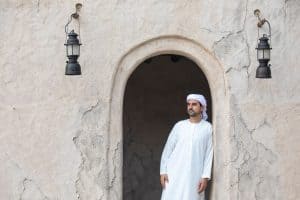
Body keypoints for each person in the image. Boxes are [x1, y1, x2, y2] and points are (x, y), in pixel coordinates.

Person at [160, 94, 213, 200]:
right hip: (174, 173)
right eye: (188, 104)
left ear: (202, 107)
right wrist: (163, 171)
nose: (190, 107)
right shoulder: (179, 126)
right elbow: (168, 150)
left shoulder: (207, 128)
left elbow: (209, 154)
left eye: (194, 104)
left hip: (194, 174)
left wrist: (205, 177)